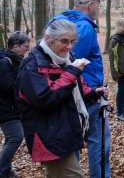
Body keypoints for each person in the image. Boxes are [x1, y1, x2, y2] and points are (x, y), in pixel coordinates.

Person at [17, 19, 105, 177]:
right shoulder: (32, 66)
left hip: (65, 131)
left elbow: (75, 88)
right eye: (64, 41)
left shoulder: (65, 59)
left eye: (72, 41)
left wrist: (93, 92)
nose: (69, 46)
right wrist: (71, 73)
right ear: (48, 38)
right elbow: (45, 98)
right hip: (50, 136)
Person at [50, 0, 111, 178]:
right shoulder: (84, 27)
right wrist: (91, 90)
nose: (99, 7)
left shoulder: (64, 23)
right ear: (91, 5)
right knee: (98, 141)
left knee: (75, 139)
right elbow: (74, 62)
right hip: (86, 94)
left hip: (72, 93)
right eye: (98, 3)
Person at [0, 32, 30, 178]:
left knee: (12, 138)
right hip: (6, 108)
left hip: (13, 107)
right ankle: (2, 169)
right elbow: (8, 85)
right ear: (16, 46)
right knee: (16, 137)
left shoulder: (16, 60)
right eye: (25, 46)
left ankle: (5, 170)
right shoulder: (5, 62)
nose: (28, 49)